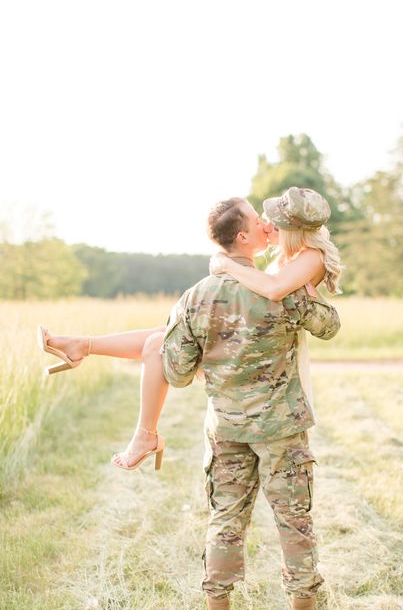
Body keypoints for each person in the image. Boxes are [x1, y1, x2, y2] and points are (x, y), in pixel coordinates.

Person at [38, 188, 341, 477]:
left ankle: (142, 430)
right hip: (253, 352)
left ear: (293, 228)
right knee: (163, 337)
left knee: (160, 340)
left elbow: (274, 289)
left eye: (273, 220)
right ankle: (84, 346)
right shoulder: (286, 258)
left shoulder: (310, 256)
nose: (266, 222)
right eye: (261, 218)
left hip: (274, 368)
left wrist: (226, 264)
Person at [160, 188, 341, 610]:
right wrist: (314, 294)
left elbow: (177, 373)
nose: (266, 225)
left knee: (225, 522)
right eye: (256, 221)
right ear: (243, 238)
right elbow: (328, 328)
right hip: (282, 427)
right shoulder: (284, 289)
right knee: (294, 523)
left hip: (227, 428)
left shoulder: (195, 297)